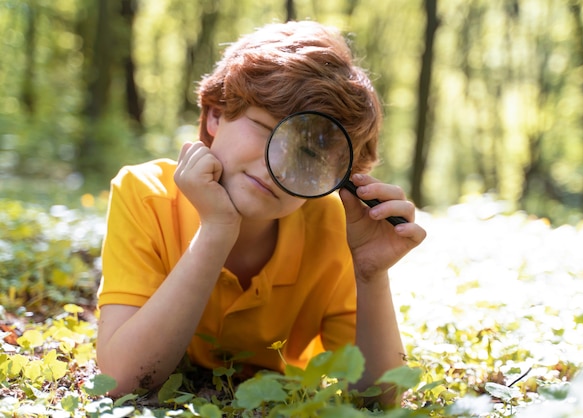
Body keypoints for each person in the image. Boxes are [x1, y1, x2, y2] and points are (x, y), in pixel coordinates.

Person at [96, 20, 426, 405]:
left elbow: (377, 399)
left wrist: (371, 275)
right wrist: (217, 230)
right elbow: (119, 382)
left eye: (309, 154)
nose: (277, 166)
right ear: (216, 115)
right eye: (265, 128)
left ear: (339, 177)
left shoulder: (333, 226)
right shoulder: (146, 194)